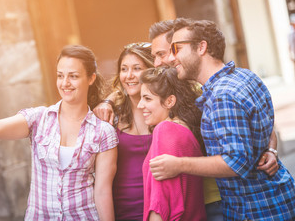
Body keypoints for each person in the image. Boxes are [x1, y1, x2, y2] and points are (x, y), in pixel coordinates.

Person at [0, 45, 118, 220]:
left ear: (91, 78)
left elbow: (102, 193)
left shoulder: (103, 132)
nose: (65, 83)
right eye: (60, 75)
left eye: (73, 76)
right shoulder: (39, 118)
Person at [149, 18, 295, 220]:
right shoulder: (245, 76)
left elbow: (235, 163)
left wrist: (178, 164)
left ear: (201, 47)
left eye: (177, 49)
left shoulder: (222, 96)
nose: (172, 58)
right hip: (278, 198)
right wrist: (270, 148)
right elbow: (263, 123)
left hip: (257, 211)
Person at [138, 66, 206, 221]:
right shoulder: (184, 129)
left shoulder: (165, 129)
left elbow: (160, 201)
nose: (140, 105)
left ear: (170, 101)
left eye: (147, 99)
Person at [110, 42, 154, 220]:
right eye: (124, 69)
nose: (129, 76)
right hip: (124, 208)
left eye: (137, 68)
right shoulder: (112, 115)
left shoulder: (165, 110)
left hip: (162, 206)